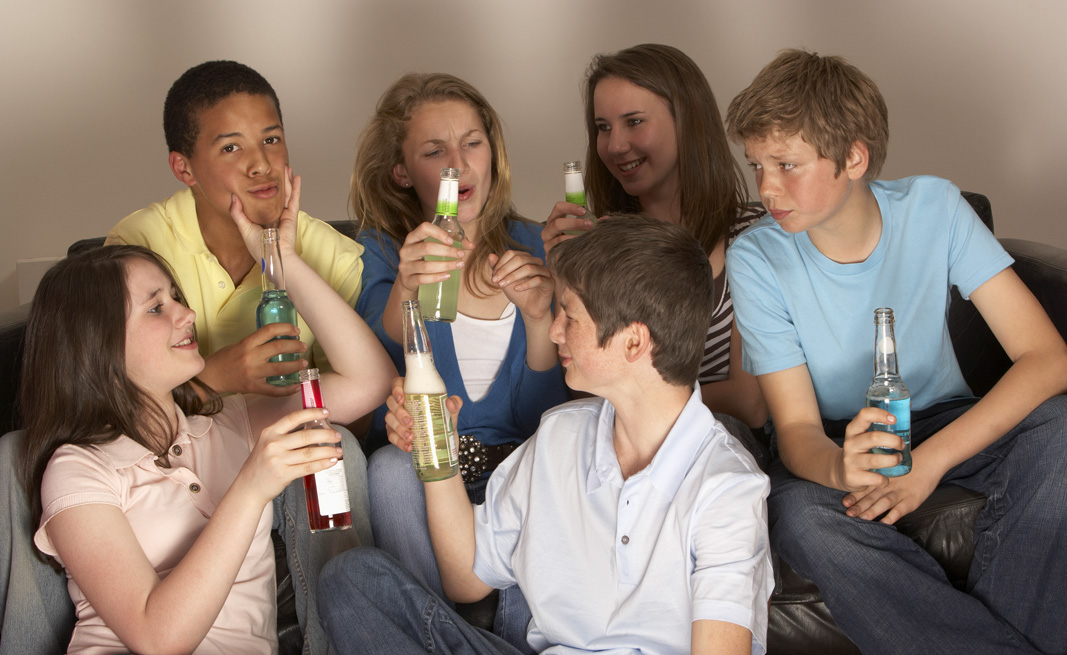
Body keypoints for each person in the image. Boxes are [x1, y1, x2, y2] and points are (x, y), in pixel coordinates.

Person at [725, 49, 1067, 654]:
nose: (766, 189)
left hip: (941, 419)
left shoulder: (934, 207)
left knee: (1059, 431)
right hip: (836, 438)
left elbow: (1047, 358)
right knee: (801, 517)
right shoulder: (756, 258)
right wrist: (840, 468)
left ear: (853, 157)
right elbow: (798, 427)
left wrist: (927, 465)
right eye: (756, 166)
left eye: (786, 164)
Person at [318, 215, 773, 655]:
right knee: (352, 578)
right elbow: (466, 578)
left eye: (570, 318)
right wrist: (439, 448)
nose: (554, 329)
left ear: (633, 342)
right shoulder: (561, 433)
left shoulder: (726, 489)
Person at [15, 172, 395, 654]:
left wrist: (282, 262)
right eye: (156, 309)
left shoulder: (232, 421)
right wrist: (252, 486)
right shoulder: (77, 469)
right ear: (97, 345)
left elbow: (368, 382)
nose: (186, 314)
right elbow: (157, 638)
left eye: (176, 296)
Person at [350, 72, 568, 648]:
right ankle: (432, 636)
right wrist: (408, 281)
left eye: (472, 143)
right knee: (389, 472)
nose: (457, 164)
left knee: (550, 468)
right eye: (433, 151)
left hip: (519, 469)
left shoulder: (539, 246)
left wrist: (542, 316)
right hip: (427, 472)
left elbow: (546, 411)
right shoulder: (381, 251)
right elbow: (382, 346)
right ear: (402, 172)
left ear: (492, 152)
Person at [106, 60, 364, 398]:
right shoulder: (137, 244)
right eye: (230, 147)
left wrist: (283, 257)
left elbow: (357, 415)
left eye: (271, 139)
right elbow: (112, 395)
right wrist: (216, 378)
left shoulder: (335, 255)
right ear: (184, 168)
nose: (261, 165)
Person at [542, 43, 766, 431]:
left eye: (634, 122)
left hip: (721, 442)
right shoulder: (600, 241)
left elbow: (749, 405)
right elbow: (585, 394)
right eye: (603, 128)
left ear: (687, 122)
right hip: (620, 450)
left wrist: (631, 403)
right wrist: (566, 277)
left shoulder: (753, 235)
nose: (615, 146)